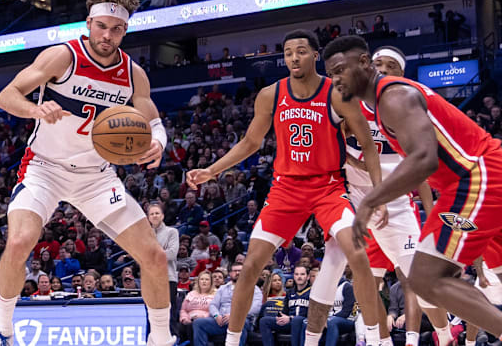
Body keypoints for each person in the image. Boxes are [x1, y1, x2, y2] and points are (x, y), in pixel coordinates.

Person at [0, 0, 174, 346]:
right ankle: (3, 331)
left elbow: (153, 121)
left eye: (116, 29)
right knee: (19, 241)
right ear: (88, 23)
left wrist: (158, 143)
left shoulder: (132, 74)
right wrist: (34, 108)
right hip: (45, 168)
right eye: (102, 26)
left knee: (153, 256)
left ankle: (162, 339)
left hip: (96, 177)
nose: (108, 35)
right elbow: (5, 95)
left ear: (125, 30)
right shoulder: (63, 56)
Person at [323, 35, 502, 346]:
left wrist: (369, 202)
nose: (335, 79)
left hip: (478, 177)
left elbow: (424, 159)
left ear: (364, 63)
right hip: (497, 176)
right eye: (331, 73)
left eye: (340, 70)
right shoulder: (380, 104)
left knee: (426, 277)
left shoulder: (392, 96)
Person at [187, 29, 385, 346]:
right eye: (288, 51)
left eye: (301, 51)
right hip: (286, 189)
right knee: (250, 265)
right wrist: (212, 170)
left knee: (358, 255)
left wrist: (378, 197)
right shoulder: (271, 94)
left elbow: (369, 148)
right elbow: (251, 142)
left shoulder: (336, 93)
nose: (294, 57)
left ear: (315, 55)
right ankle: (232, 341)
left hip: (328, 187)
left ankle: (376, 339)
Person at [345, 45, 451, 346]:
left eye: (390, 65)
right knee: (365, 283)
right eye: (377, 63)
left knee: (419, 280)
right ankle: (379, 340)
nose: (382, 68)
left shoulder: (406, 106)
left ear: (400, 74)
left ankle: (443, 336)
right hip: (357, 201)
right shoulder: (352, 104)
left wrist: (431, 214)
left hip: (395, 204)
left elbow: (424, 171)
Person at [192, 262, 262, 346]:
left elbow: (255, 308)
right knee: (198, 323)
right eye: (235, 271)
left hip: (242, 320)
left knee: (239, 323)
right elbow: (213, 305)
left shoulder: (254, 288)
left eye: (240, 271)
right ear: (230, 273)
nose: (238, 273)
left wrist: (234, 316)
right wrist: (216, 316)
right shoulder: (223, 288)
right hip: (222, 321)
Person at [148, 203, 180, 336]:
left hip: (168, 278)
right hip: (150, 280)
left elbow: (172, 253)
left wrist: (152, 255)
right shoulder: (145, 234)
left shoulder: (172, 232)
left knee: (168, 315)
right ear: (148, 217)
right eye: (152, 214)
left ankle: (173, 341)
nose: (154, 216)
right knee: (151, 315)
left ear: (162, 216)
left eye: (157, 213)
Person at [260, 265, 311, 346]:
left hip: (304, 323)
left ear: (308, 277)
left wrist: (291, 318)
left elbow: (312, 314)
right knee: (264, 321)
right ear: (293, 276)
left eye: (302, 274)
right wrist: (281, 317)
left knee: (296, 320)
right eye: (297, 274)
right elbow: (285, 311)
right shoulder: (290, 292)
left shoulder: (312, 292)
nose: (299, 277)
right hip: (290, 322)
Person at [179, 270, 216, 344]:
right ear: (198, 281)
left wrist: (202, 316)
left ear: (211, 282)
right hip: (189, 320)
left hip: (206, 320)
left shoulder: (216, 294)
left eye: (207, 279)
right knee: (183, 326)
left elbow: (216, 311)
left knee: (194, 326)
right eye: (202, 279)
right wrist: (184, 319)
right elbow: (183, 310)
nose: (204, 281)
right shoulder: (191, 294)